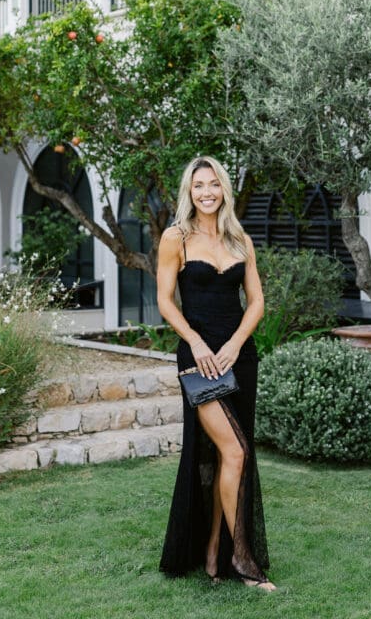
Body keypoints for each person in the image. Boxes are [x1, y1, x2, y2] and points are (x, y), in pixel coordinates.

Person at [158, 155, 275, 591]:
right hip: (198, 358)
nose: (206, 192)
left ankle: (213, 551)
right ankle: (243, 560)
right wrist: (197, 341)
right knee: (235, 451)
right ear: (189, 191)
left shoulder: (240, 239)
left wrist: (234, 345)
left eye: (213, 185)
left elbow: (257, 301)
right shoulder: (176, 238)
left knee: (225, 456)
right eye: (198, 185)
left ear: (224, 189)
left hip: (239, 357)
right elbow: (165, 300)